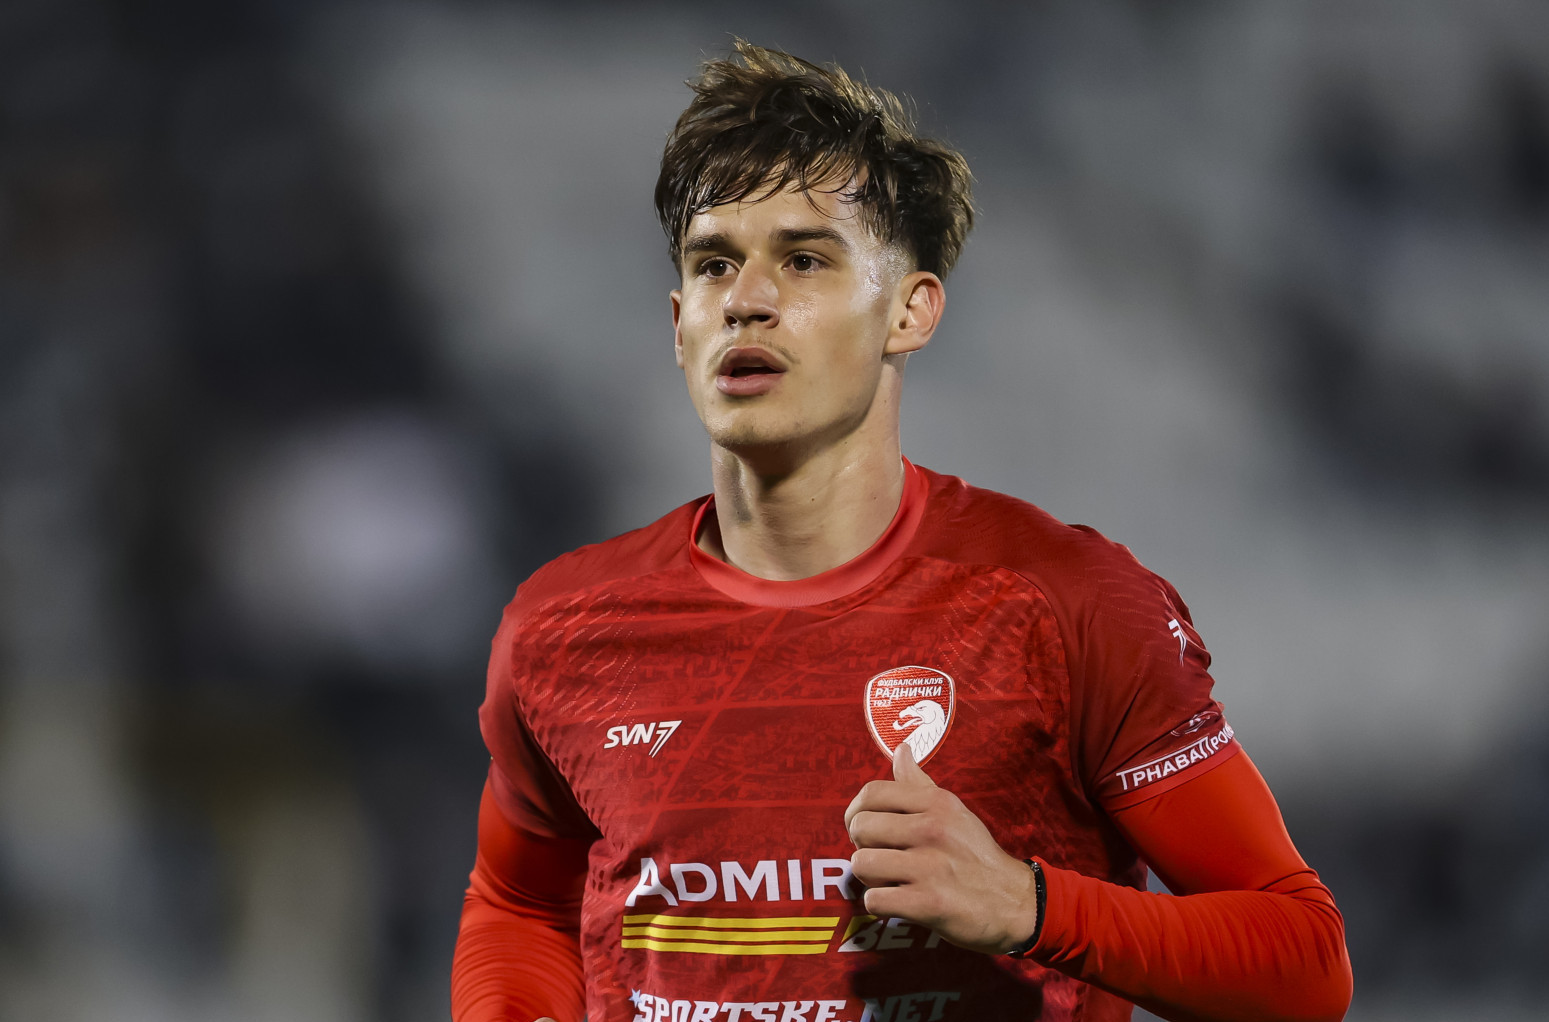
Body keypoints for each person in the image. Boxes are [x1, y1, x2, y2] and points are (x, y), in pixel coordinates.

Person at [451, 42, 1352, 1022]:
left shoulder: (1065, 607)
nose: (746, 300)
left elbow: (1302, 965)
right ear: (679, 324)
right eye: (714, 265)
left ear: (909, 312)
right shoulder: (563, 628)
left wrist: (1027, 905)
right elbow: (520, 904)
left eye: (803, 259)